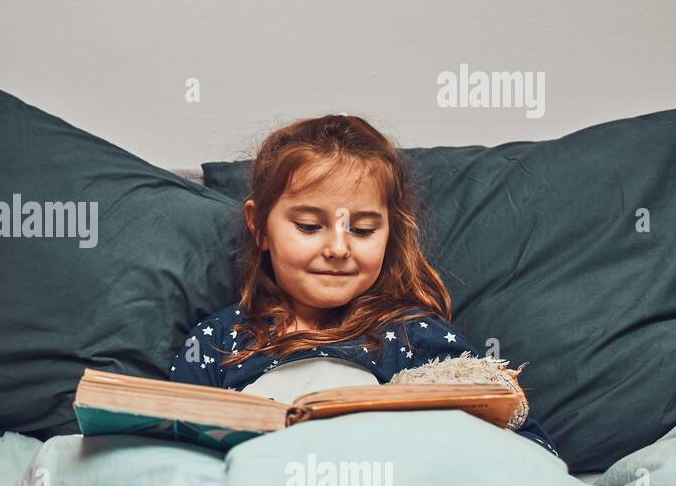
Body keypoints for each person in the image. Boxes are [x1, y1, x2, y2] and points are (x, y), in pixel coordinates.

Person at [169, 114, 561, 459]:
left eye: (362, 229)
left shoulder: (413, 334)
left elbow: (526, 444)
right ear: (259, 227)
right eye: (308, 226)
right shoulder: (217, 341)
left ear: (390, 232)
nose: (338, 248)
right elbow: (174, 450)